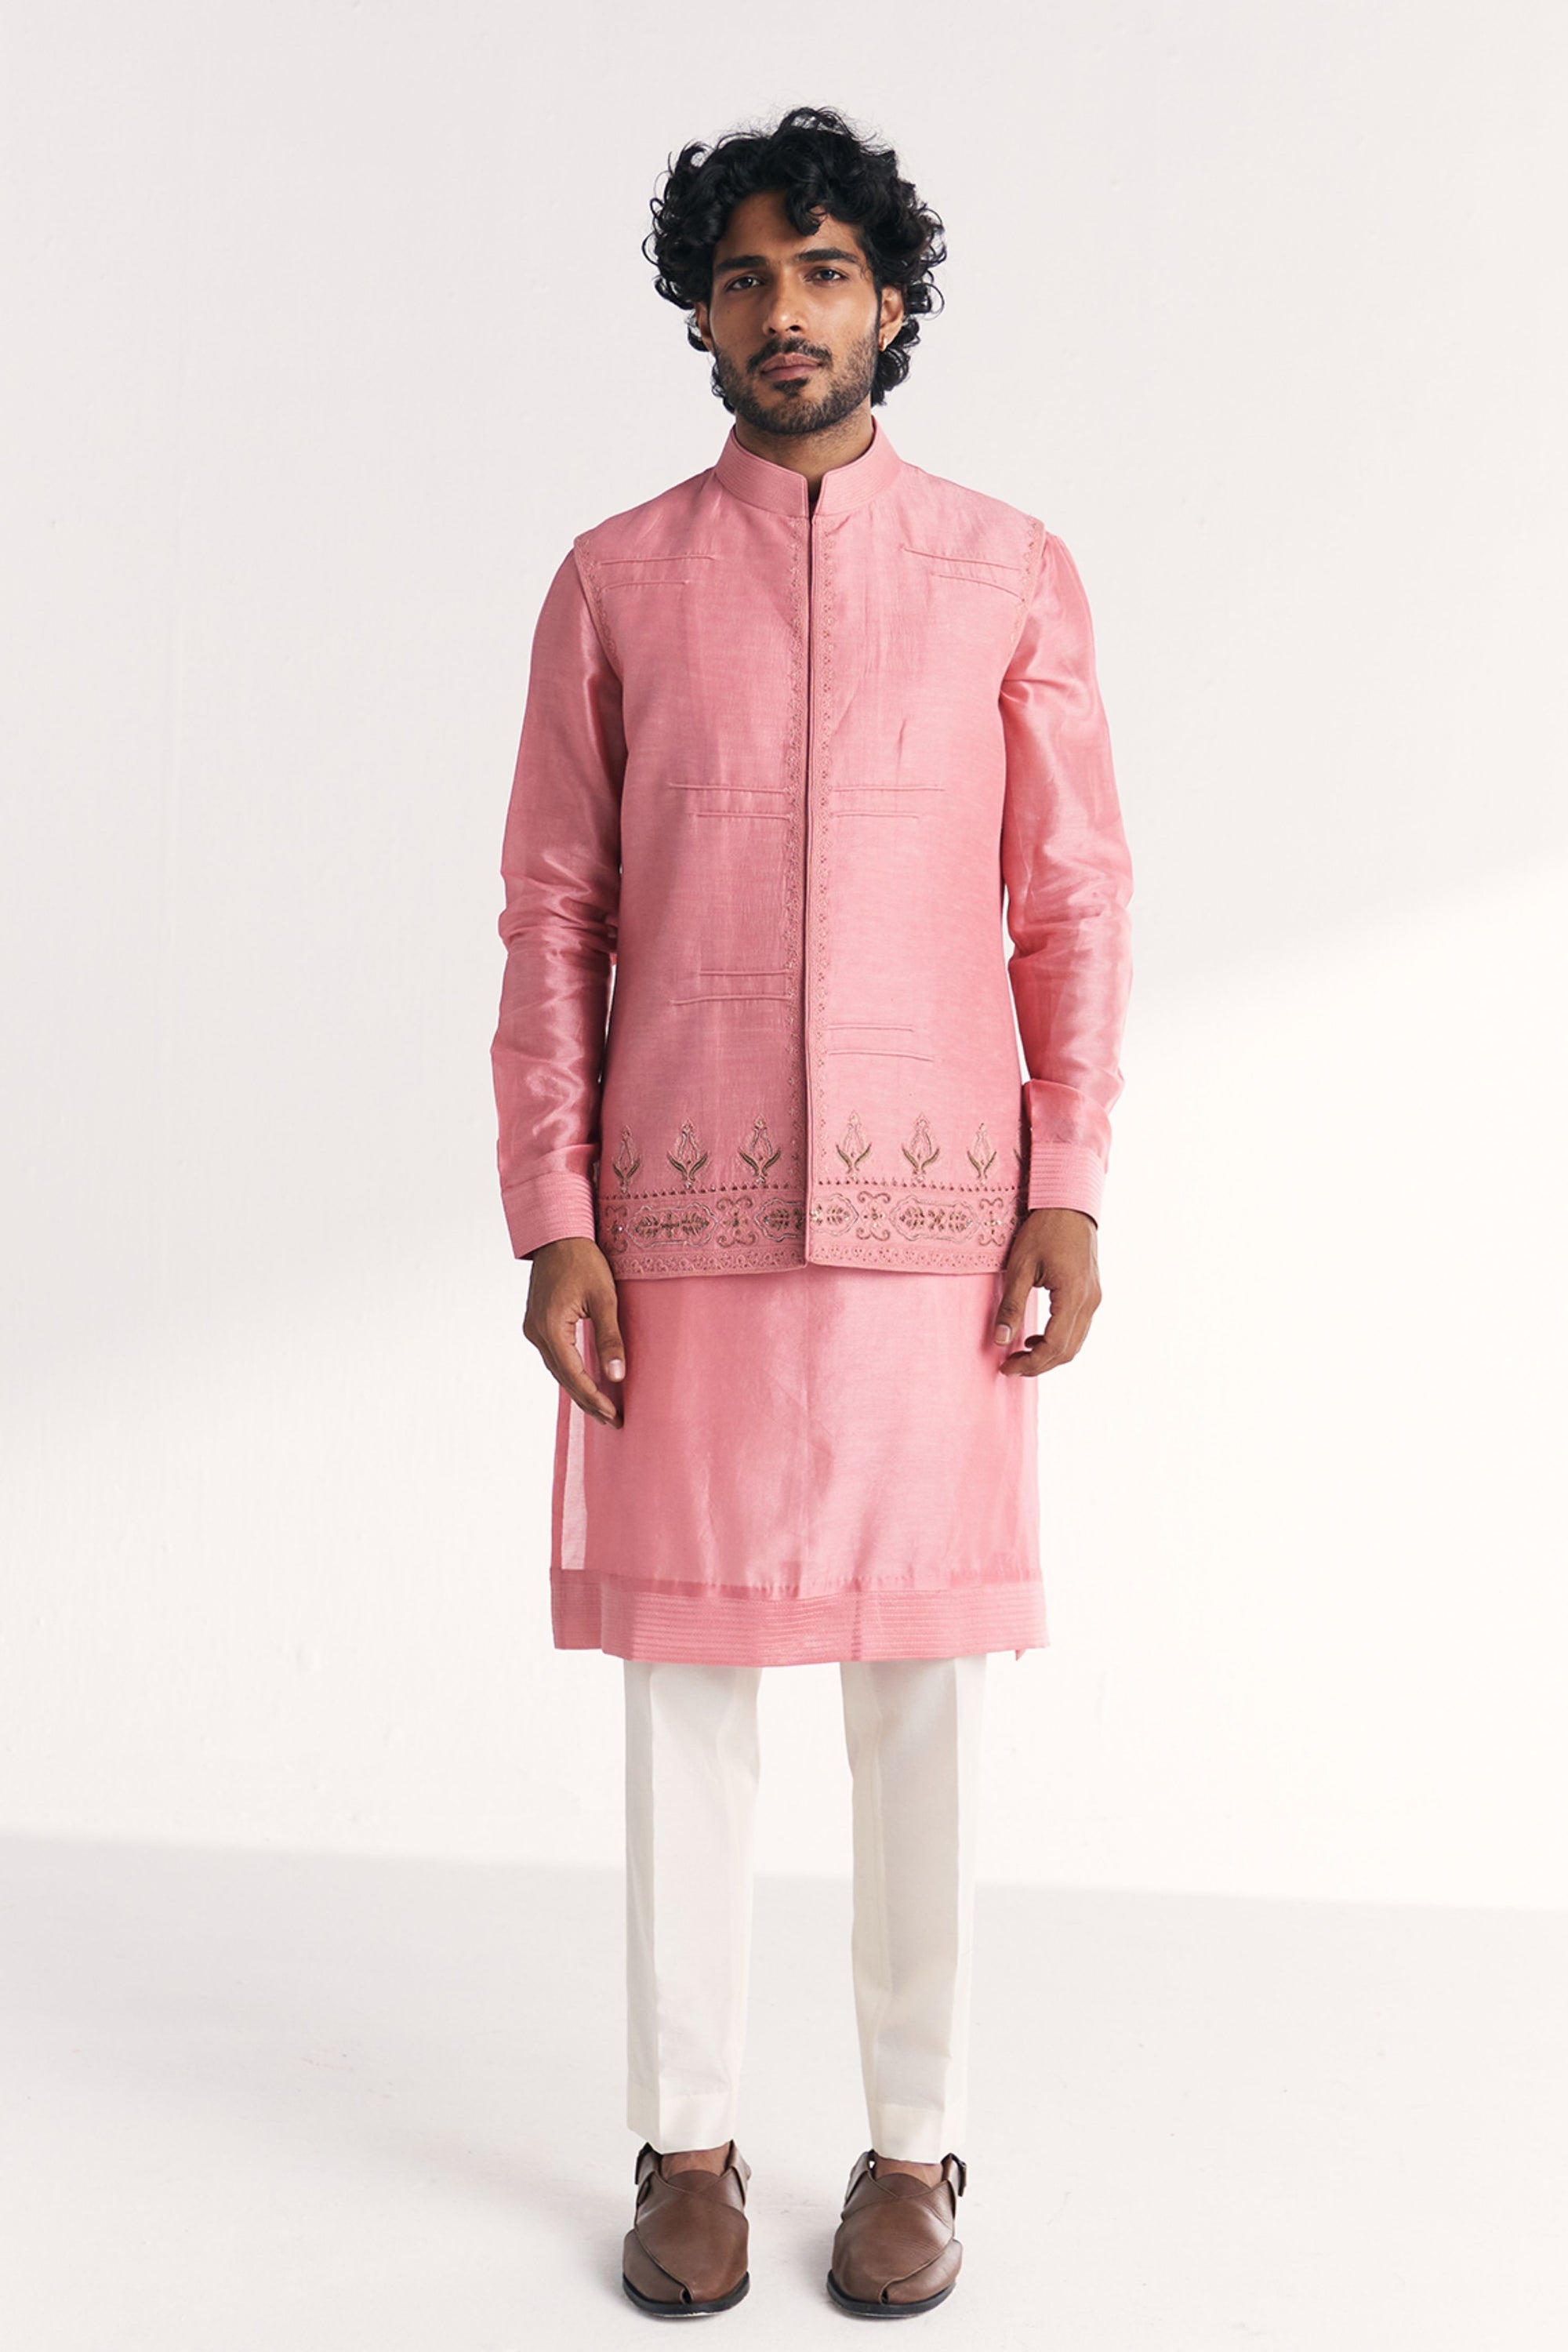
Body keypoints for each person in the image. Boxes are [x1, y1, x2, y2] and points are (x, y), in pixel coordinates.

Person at [490, 102, 1134, 2320]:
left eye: (827, 271)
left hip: (939, 1221)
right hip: (675, 1218)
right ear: (701, 312)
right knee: (686, 1682)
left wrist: (1071, 1184)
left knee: (920, 1685)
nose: (788, 311)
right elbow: (554, 910)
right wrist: (552, 1210)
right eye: (749, 275)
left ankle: (915, 2147)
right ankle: (687, 2146)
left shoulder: (1007, 570)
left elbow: (1072, 899)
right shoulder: (617, 582)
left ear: (892, 302)